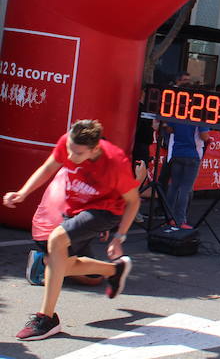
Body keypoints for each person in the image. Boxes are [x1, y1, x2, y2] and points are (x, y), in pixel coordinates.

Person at [3, 120, 140, 340]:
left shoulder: (115, 162)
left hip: (105, 210)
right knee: (57, 264)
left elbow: (133, 202)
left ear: (94, 149)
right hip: (76, 207)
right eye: (69, 149)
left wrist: (119, 237)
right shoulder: (68, 143)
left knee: (56, 240)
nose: (70, 156)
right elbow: (48, 167)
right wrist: (23, 192)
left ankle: (46, 318)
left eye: (78, 153)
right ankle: (115, 271)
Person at [163, 118, 210, 229]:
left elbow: (169, 129)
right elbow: (204, 136)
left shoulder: (178, 114)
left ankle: (168, 217)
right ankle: (180, 220)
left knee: (174, 186)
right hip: (192, 155)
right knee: (185, 189)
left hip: (177, 153)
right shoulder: (200, 116)